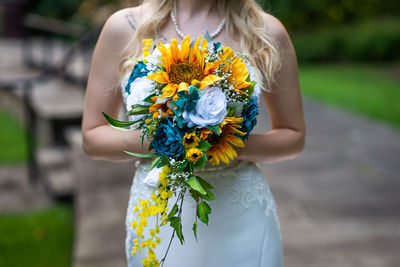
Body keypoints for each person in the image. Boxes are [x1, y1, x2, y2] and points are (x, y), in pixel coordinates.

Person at [81, 0, 305, 266]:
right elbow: (92, 136)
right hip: (159, 217)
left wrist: (226, 144)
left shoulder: (265, 31)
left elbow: (294, 134)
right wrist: (168, 140)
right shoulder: (125, 27)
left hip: (242, 216)